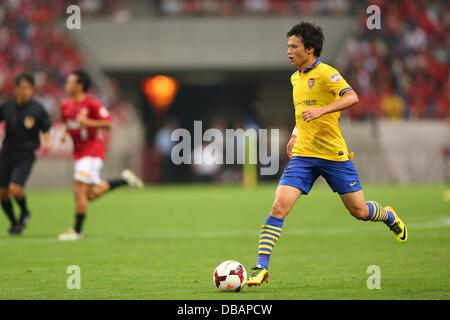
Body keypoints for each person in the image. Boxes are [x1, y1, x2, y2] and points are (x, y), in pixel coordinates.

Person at [247, 22, 408, 287]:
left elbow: (352, 97)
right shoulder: (295, 77)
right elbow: (303, 110)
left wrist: (323, 111)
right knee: (278, 206)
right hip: (303, 156)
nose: (288, 51)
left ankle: (388, 215)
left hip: (333, 155)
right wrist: (296, 133)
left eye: (294, 46)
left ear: (309, 49)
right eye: (288, 46)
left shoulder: (326, 73)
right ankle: (261, 268)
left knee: (359, 211)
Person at [58, 70, 143, 241]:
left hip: (92, 151)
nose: (67, 85)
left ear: (80, 85)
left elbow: (108, 124)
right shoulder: (66, 106)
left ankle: (76, 231)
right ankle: (123, 180)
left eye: (70, 82)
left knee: (79, 189)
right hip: (80, 153)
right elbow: (69, 123)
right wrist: (65, 133)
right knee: (90, 194)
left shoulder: (93, 104)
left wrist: (88, 122)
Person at [0, 73, 52, 235]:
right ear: (16, 89)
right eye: (22, 88)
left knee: (15, 189)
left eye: (29, 88)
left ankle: (24, 211)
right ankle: (15, 222)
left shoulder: (37, 109)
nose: (25, 92)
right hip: (6, 152)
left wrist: (48, 140)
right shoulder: (7, 106)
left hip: (26, 154)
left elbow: (47, 129)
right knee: (2, 193)